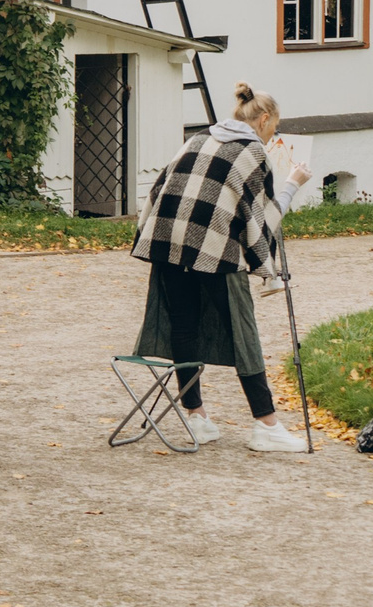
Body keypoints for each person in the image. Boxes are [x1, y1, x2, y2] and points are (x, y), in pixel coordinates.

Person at [131, 80, 312, 453]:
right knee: (243, 331)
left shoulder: (196, 139)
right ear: (263, 120)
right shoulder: (254, 153)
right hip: (213, 249)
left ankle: (196, 418)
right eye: (273, 129)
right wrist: (293, 183)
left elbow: (158, 190)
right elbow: (260, 221)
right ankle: (266, 426)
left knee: (184, 326)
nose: (271, 137)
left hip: (166, 243)